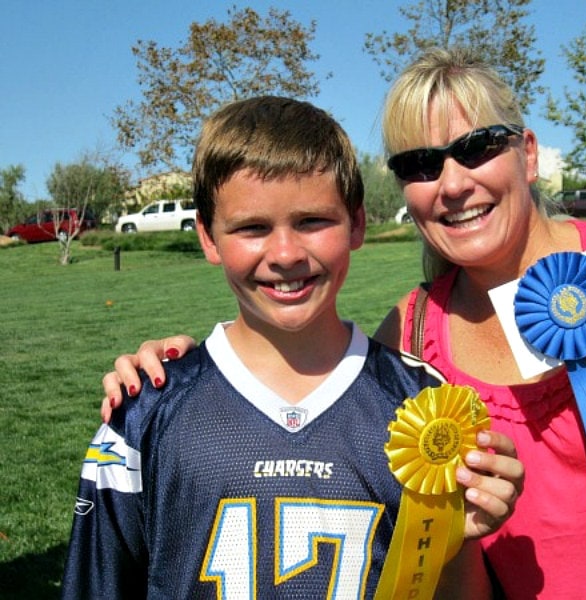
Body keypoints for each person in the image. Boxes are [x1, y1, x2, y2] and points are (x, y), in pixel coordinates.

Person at [100, 48, 586, 599]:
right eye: (422, 163)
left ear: (526, 153)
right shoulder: (405, 338)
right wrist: (178, 371)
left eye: (477, 147)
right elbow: (298, 380)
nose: (454, 181)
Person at [63, 95, 524, 599]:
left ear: (358, 223)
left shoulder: (423, 404)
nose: (285, 254)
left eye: (311, 222)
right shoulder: (146, 409)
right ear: (208, 238)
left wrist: (461, 537)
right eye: (252, 228)